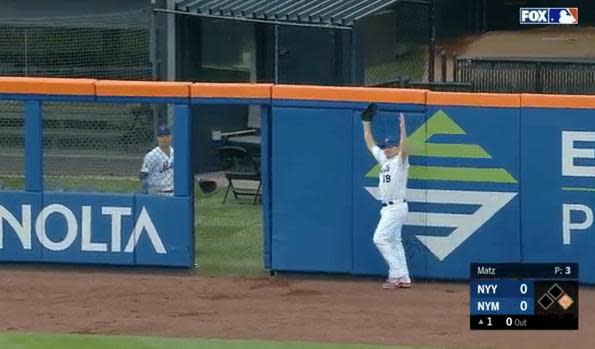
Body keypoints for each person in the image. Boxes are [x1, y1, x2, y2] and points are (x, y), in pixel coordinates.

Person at [362, 112, 411, 289]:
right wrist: (366, 122)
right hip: (390, 208)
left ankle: (396, 274)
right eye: (386, 146)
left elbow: (405, 149)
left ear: (397, 147)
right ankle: (404, 277)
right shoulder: (384, 159)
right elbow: (370, 143)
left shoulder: (401, 161)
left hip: (396, 207)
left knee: (379, 238)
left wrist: (403, 129)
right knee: (394, 241)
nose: (387, 148)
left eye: (391, 146)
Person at [140, 125, 174, 195]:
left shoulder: (176, 153)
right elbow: (143, 175)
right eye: (161, 136)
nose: (164, 139)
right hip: (156, 193)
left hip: (173, 192)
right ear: (157, 138)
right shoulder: (151, 155)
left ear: (171, 137)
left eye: (166, 136)